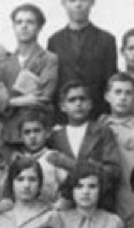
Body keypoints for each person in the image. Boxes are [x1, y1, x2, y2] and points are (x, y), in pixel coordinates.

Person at [0, 3, 58, 145]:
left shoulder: (49, 59)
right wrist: (18, 101)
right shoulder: (4, 61)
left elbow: (42, 96)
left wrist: (7, 100)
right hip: (8, 132)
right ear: (13, 26)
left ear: (39, 27)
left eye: (30, 22)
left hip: (35, 132)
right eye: (19, 22)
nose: (24, 26)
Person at [46, 81, 122, 212]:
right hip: (65, 206)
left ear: (90, 104)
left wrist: (70, 164)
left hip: (99, 205)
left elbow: (113, 171)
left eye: (82, 99)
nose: (78, 103)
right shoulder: (56, 136)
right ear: (63, 106)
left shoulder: (102, 131)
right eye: (72, 100)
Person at [47, 0, 117, 121]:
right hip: (64, 117)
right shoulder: (54, 40)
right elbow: (53, 82)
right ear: (64, 3)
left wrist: (107, 113)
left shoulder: (106, 39)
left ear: (92, 1)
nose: (78, 4)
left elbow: (110, 80)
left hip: (97, 115)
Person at [98, 72, 134, 218]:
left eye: (128, 93)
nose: (122, 97)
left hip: (130, 197)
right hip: (102, 196)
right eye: (117, 92)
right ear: (107, 96)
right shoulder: (97, 128)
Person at [50, 162, 123, 228]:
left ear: (101, 189)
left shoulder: (114, 222)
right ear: (72, 189)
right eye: (79, 186)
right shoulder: (59, 219)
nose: (85, 192)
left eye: (92, 186)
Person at [18, 110, 67, 205]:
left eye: (37, 131)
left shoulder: (54, 158)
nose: (32, 136)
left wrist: (60, 204)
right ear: (20, 137)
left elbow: (67, 187)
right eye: (27, 132)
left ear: (47, 133)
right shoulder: (18, 160)